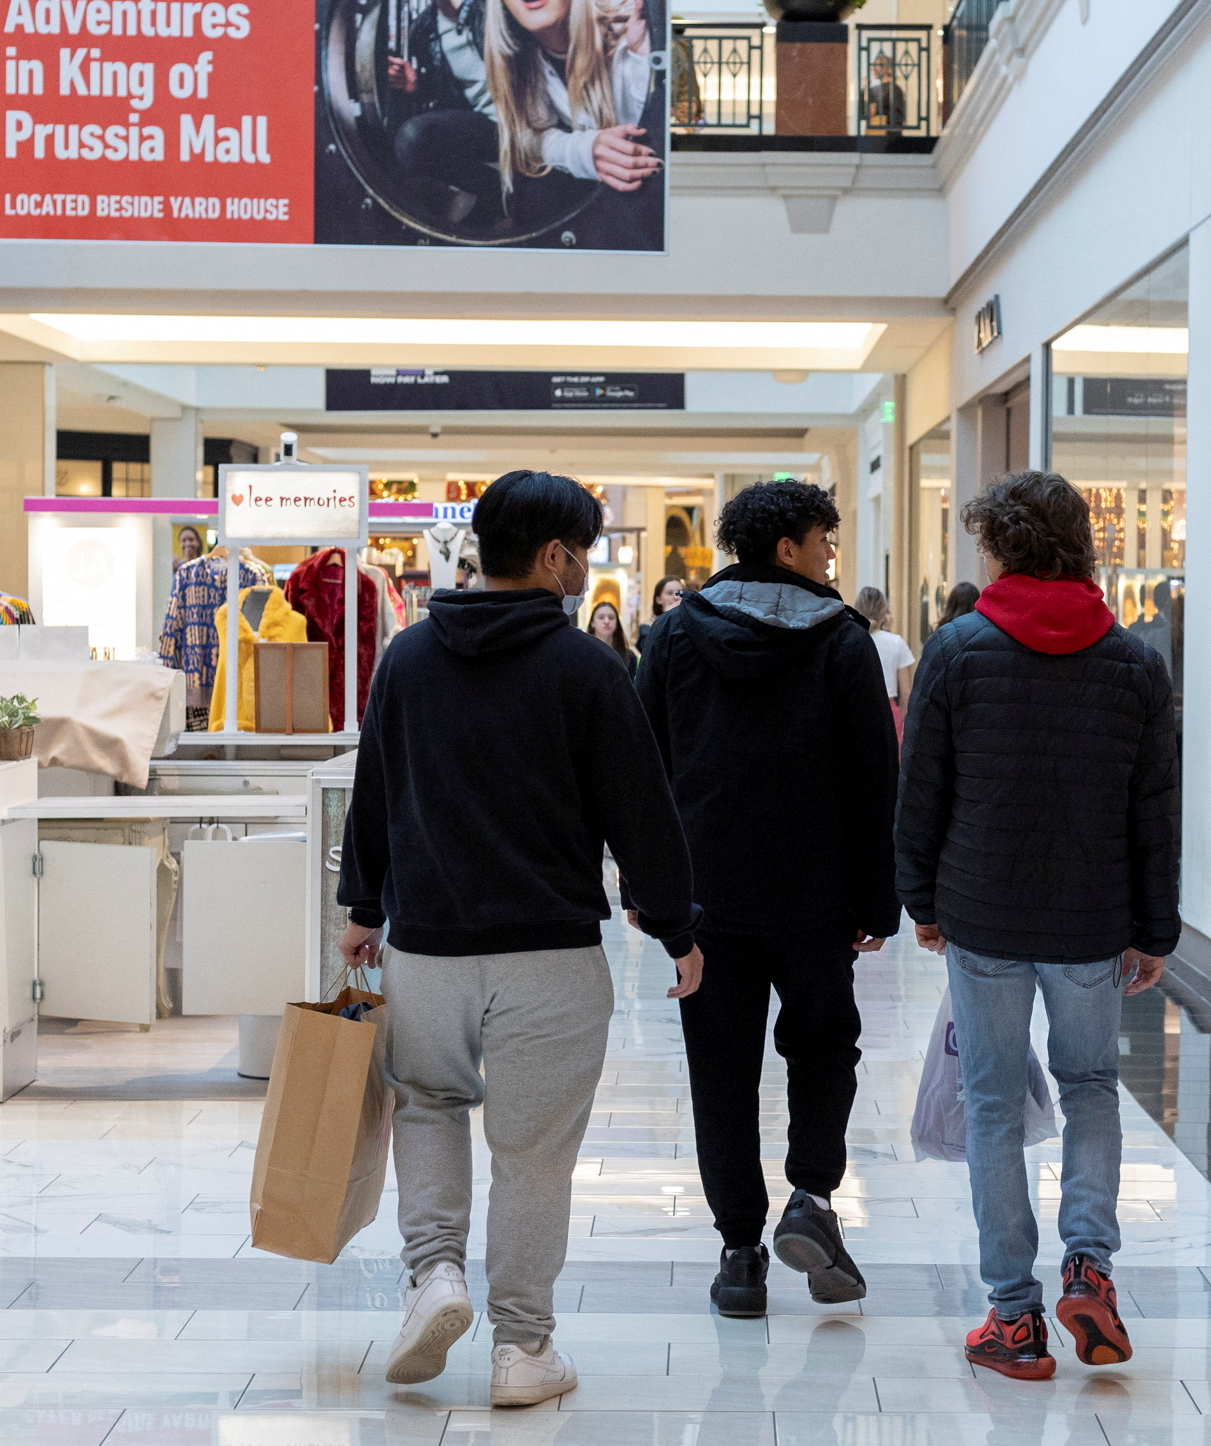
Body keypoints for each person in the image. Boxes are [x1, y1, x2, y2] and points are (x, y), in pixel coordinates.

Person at [336, 469, 703, 1409]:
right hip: (550, 954)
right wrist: (674, 926)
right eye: (583, 551)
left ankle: (434, 1279)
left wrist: (363, 909)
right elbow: (641, 811)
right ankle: (523, 1350)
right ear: (554, 557)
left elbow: (374, 790)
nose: (588, 568)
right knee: (533, 1151)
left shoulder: (409, 659)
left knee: (426, 1104)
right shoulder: (587, 669)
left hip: (427, 948)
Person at [895, 470, 1177, 1382]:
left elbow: (923, 786)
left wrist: (921, 900)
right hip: (1092, 921)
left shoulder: (958, 647)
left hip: (984, 912)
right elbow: (1155, 808)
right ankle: (1089, 1263)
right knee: (1091, 1084)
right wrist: (1156, 927)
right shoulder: (1134, 661)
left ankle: (1014, 1319)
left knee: (991, 1102)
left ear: (1004, 547)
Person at [635, 479, 897, 1318]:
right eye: (824, 538)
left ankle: (739, 1254)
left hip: (708, 903)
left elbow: (644, 774)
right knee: (823, 1052)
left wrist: (650, 890)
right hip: (816, 899)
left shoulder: (673, 636)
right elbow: (871, 781)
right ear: (786, 547)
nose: (831, 555)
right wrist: (877, 899)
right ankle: (812, 1199)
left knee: (721, 1072)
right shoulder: (842, 642)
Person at [482, 0, 658, 200]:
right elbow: (524, 138)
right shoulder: (514, 56)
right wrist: (584, 150)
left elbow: (659, 131)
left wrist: (642, 57)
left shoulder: (626, 14)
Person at [384, 0, 502, 209]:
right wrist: (416, 85)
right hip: (491, 130)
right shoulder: (423, 30)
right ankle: (498, 193)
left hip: (535, 124)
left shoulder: (500, 0)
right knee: (412, 139)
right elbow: (451, 100)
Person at [854, 585, 914, 736]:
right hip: (889, 711)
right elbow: (906, 693)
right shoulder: (896, 642)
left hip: (857, 711)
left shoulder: (851, 640)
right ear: (884, 611)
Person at [586, 597, 636, 672]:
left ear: (616, 624)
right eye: (601, 617)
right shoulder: (583, 654)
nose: (606, 621)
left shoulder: (629, 656)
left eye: (611, 618)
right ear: (592, 623)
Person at [637, 575, 682, 653]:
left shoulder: (688, 621)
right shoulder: (646, 627)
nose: (676, 597)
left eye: (679, 592)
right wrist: (667, 615)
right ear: (659, 599)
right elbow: (651, 652)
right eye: (670, 593)